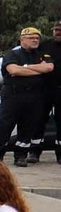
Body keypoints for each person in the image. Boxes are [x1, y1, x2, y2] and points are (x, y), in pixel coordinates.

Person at [0, 26, 53, 167]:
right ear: (22, 39)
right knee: (5, 125)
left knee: (28, 127)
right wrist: (38, 69)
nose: (35, 40)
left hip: (34, 96)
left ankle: (21, 156)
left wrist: (25, 67)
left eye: (37, 38)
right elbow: (13, 70)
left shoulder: (42, 54)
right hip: (13, 96)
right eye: (31, 38)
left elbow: (48, 68)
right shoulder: (12, 54)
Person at [47, 21, 61, 164]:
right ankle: (34, 151)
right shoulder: (45, 45)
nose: (58, 32)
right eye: (56, 30)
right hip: (44, 89)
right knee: (38, 120)